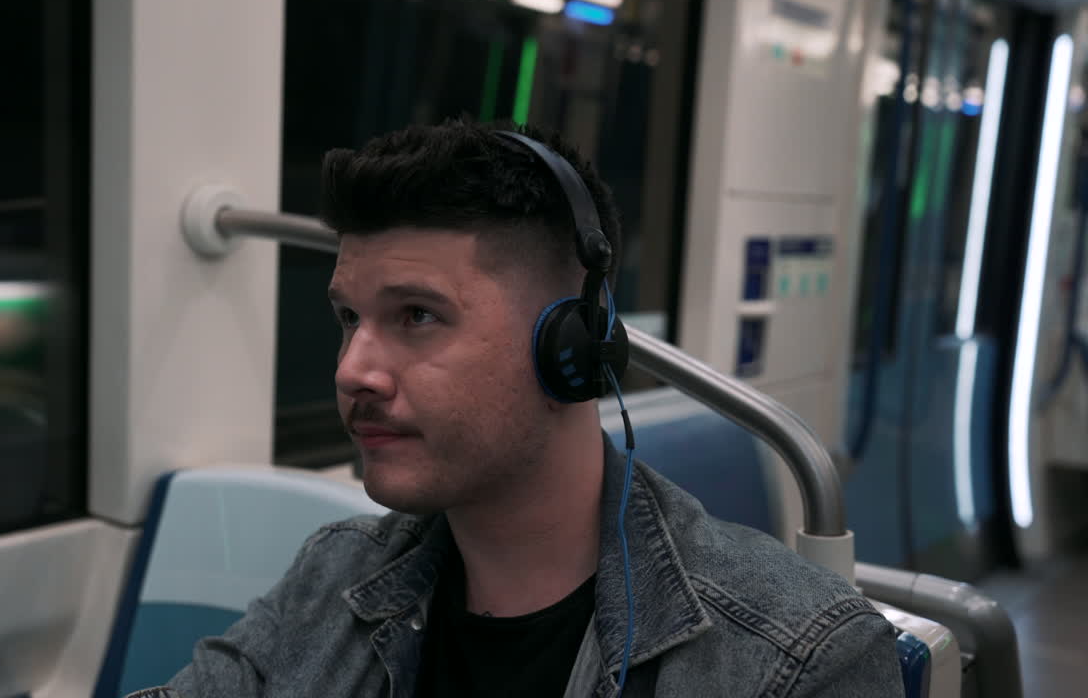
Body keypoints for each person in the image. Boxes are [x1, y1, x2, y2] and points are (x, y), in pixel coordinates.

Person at [129, 119, 904, 697]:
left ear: (570, 347)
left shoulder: (796, 658)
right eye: (348, 319)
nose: (353, 370)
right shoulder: (338, 572)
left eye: (417, 317)